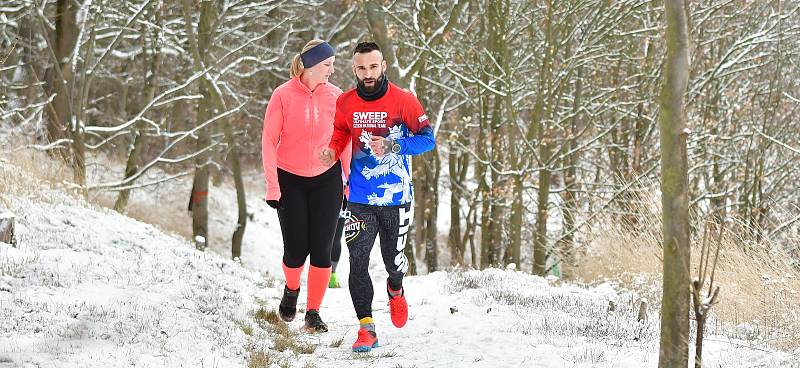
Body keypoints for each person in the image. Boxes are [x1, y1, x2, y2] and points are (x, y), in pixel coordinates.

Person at [319, 41, 436, 352]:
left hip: (396, 198)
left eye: (373, 66)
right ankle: (366, 328)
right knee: (356, 262)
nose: (367, 73)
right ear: (354, 69)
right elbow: (342, 130)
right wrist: (333, 149)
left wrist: (395, 146)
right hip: (358, 197)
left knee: (392, 262)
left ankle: (395, 288)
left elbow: (428, 140)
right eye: (361, 67)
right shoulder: (345, 102)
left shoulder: (404, 101)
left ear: (383, 66)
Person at [262, 39, 351, 333]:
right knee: (296, 250)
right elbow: (269, 141)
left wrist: (347, 182)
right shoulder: (283, 95)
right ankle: (291, 289)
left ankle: (313, 312)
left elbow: (345, 141)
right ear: (311, 65)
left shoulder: (337, 96)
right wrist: (273, 186)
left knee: (322, 250)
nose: (332, 69)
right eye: (328, 64)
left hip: (327, 181)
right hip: (291, 180)